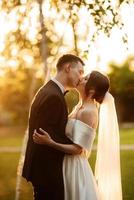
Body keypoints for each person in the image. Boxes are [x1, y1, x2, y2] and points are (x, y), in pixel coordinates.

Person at [33, 71, 123, 200]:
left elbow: (78, 149)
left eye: (86, 79)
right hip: (65, 163)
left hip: (74, 168)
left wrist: (50, 142)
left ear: (91, 91)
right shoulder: (79, 106)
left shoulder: (89, 112)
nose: (81, 79)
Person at [22, 54, 84, 200]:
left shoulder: (49, 90)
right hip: (47, 172)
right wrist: (78, 146)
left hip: (43, 170)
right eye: (80, 71)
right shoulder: (53, 96)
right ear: (68, 68)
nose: (81, 77)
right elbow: (45, 137)